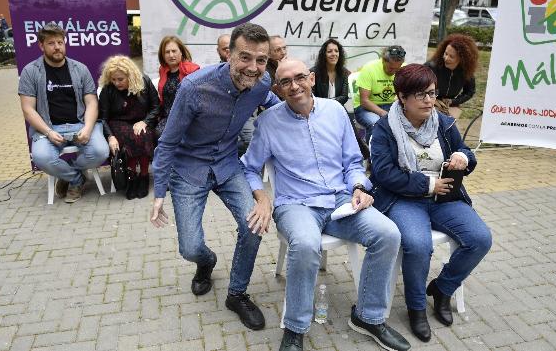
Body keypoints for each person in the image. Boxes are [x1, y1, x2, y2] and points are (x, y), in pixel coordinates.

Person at [241, 59, 410, 351]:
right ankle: (295, 327)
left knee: (388, 233)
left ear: (312, 78)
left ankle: (368, 317)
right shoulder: (268, 122)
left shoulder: (335, 111)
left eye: (299, 78)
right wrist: (261, 196)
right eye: (285, 82)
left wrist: (358, 186)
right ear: (278, 89)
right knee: (306, 244)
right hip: (297, 204)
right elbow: (248, 168)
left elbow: (353, 161)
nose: (294, 86)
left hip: (340, 199)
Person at [149, 23, 281, 331]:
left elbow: (276, 107)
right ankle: (206, 262)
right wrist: (158, 193)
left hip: (227, 165)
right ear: (229, 54)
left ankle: (237, 293)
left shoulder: (262, 84)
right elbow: (167, 142)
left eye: (261, 60)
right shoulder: (194, 87)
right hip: (188, 171)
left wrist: (306, 109)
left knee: (254, 226)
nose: (253, 67)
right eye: (245, 57)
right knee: (189, 248)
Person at [369, 64, 491, 342]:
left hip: (444, 197)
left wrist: (463, 158)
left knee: (480, 238)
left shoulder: (444, 123)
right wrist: (427, 184)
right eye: (421, 95)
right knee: (418, 245)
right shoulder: (385, 129)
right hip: (404, 200)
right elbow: (383, 173)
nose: (429, 101)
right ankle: (416, 307)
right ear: (402, 97)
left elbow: (466, 151)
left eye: (432, 94)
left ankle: (443, 288)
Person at [18, 23, 108, 203]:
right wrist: (48, 132)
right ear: (41, 46)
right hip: (49, 128)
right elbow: (28, 109)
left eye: (60, 42)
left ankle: (69, 173)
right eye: (51, 43)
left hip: (80, 124)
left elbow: (91, 102)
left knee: (100, 152)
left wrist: (88, 128)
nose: (57, 47)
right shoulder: (30, 71)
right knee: (41, 157)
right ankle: (76, 178)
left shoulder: (80, 69)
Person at [99, 55, 160, 200]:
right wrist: (110, 136)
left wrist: (145, 121)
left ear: (130, 75)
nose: (116, 83)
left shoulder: (144, 81)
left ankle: (144, 175)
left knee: (142, 133)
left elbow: (156, 107)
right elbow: (103, 118)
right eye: (113, 79)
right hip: (118, 122)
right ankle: (132, 177)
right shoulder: (108, 89)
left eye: (120, 79)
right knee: (130, 135)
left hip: (142, 121)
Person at [354, 45, 406, 142]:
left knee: (408, 122)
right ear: (383, 60)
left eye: (397, 69)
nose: (394, 72)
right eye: (391, 68)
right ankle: (373, 153)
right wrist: (384, 113)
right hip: (365, 107)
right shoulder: (369, 68)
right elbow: (364, 101)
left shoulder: (404, 68)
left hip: (391, 105)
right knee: (377, 123)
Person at [425, 33, 478, 119]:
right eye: (445, 54)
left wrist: (453, 101)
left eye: (451, 56)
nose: (446, 58)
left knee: (448, 127)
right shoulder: (431, 67)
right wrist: (433, 99)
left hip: (450, 107)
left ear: (462, 59)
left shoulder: (466, 71)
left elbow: (469, 92)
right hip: (429, 104)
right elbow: (418, 87)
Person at [155, 35, 200, 136]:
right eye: (167, 52)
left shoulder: (192, 70)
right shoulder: (163, 70)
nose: (171, 55)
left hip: (187, 118)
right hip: (167, 116)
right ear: (162, 55)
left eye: (174, 51)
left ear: (181, 52)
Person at [310, 38, 349, 105]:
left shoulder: (344, 72)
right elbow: (311, 97)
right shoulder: (314, 72)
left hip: (337, 108)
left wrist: (330, 104)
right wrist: (326, 105)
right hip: (319, 109)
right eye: (329, 51)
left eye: (336, 51)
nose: (334, 54)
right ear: (324, 54)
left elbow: (344, 97)